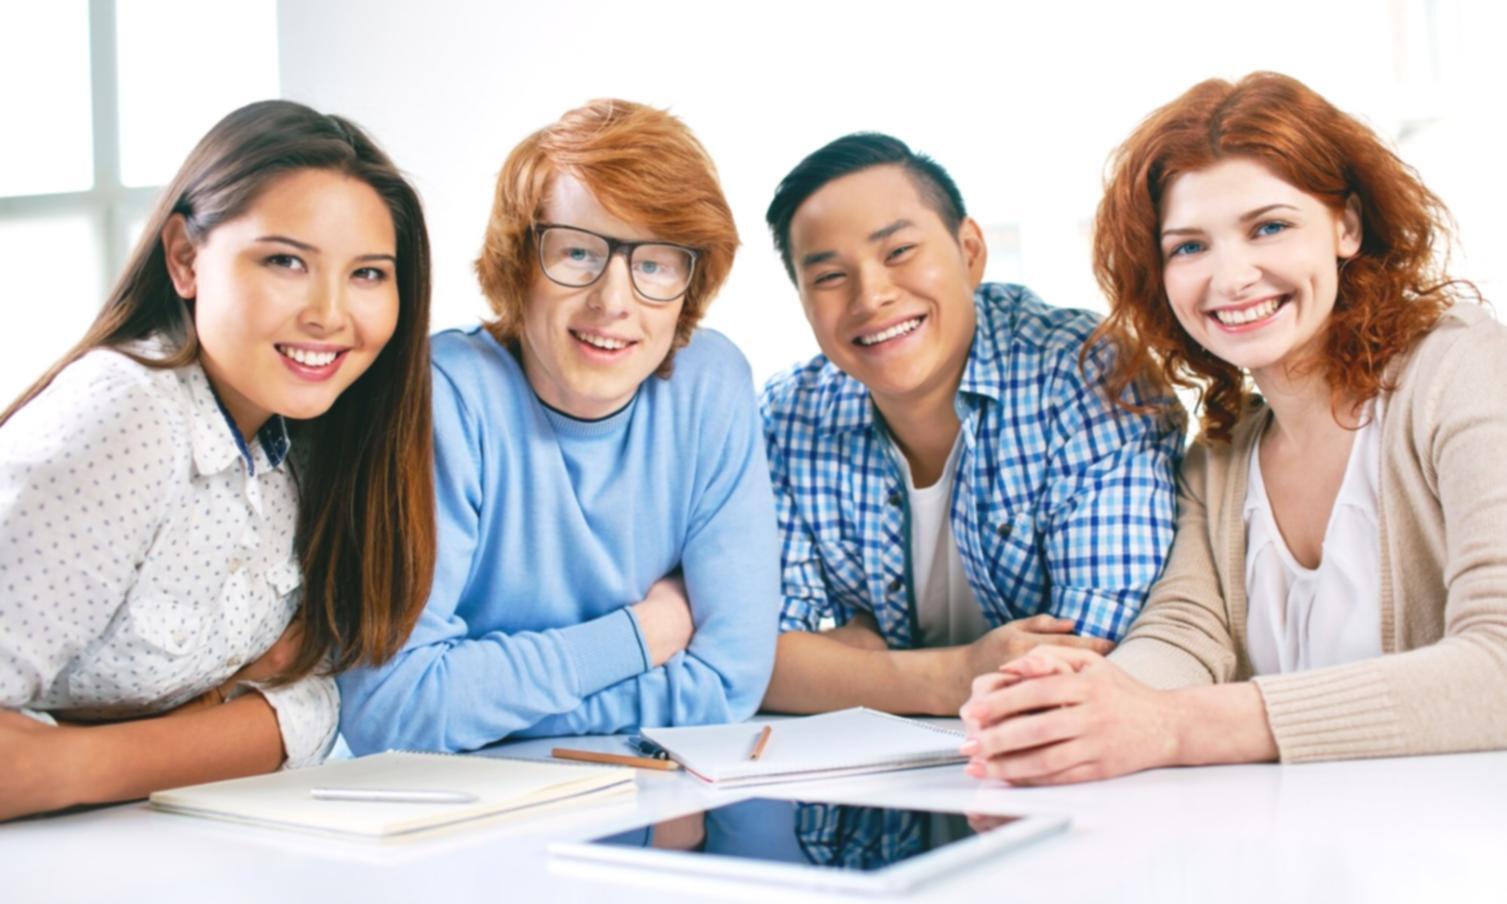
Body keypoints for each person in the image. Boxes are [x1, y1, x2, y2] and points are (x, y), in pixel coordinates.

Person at [960, 71, 1507, 785]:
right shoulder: (1218, 453)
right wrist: (1078, 698)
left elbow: (1497, 666)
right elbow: (1184, 635)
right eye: (1188, 247)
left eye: (1269, 227)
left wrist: (1172, 726)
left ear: (1345, 226)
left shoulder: (1463, 370)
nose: (1230, 276)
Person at [0, 100, 436, 819]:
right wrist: (192, 732)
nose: (330, 313)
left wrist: (69, 762)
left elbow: (309, 707)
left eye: (367, 274)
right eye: (285, 261)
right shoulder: (127, 415)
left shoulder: (317, 436)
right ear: (184, 259)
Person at [337, 100, 779, 754]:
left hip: (635, 797)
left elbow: (728, 683)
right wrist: (641, 635)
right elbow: (392, 710)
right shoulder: (444, 395)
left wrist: (483, 702)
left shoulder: (709, 385)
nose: (613, 301)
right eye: (576, 252)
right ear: (519, 264)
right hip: (452, 813)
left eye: (654, 264)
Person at [759, 133, 1183, 716]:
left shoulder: (1082, 373)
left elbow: (1090, 659)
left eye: (899, 251)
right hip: (870, 801)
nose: (872, 295)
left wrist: (854, 667)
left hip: (1067, 789)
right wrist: (954, 674)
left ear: (970, 250)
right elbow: (751, 665)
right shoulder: (787, 418)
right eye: (829, 277)